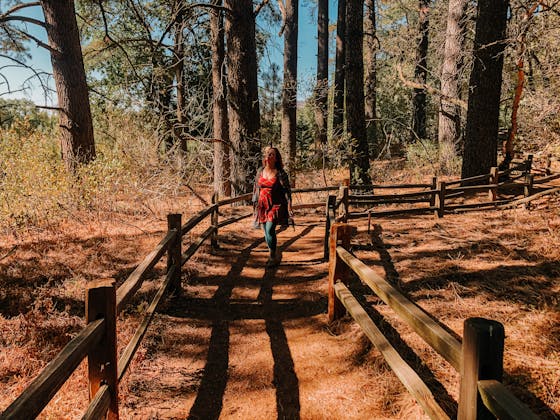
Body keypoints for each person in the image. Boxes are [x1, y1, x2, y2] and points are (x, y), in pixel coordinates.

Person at [252, 146, 293, 267]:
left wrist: (290, 205)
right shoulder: (260, 171)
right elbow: (256, 188)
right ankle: (272, 251)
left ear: (276, 158)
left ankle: (272, 256)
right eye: (268, 154)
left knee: (270, 229)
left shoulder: (280, 173)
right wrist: (254, 204)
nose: (269, 156)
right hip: (262, 205)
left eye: (272, 154)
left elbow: (287, 190)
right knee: (266, 231)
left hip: (276, 204)